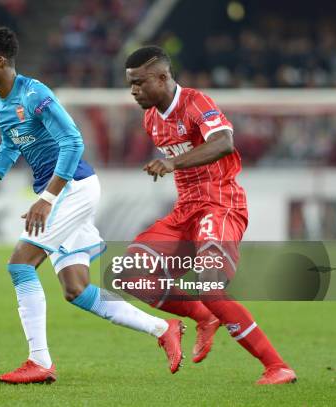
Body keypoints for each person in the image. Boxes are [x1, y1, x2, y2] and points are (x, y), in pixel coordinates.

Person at [0, 25, 184, 384]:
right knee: (76, 289)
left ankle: (39, 361)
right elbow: (9, 145)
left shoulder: (35, 94)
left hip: (74, 188)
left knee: (20, 265)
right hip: (57, 192)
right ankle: (163, 328)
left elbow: (73, 142)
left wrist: (47, 199)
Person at [123, 45, 297, 384]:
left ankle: (277, 366)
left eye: (140, 83)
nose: (133, 91)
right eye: (130, 84)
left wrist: (172, 162)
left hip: (221, 204)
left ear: (162, 77)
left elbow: (223, 142)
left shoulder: (195, 102)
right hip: (185, 212)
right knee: (129, 274)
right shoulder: (150, 119)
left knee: (210, 284)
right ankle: (203, 316)